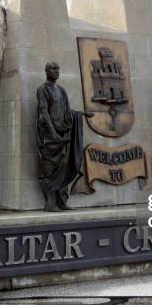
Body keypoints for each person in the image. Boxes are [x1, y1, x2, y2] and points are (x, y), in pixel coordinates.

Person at [36, 62, 93, 211]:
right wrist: (53, 134)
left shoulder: (61, 90)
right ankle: (50, 203)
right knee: (49, 168)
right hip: (50, 137)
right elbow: (44, 112)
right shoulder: (43, 90)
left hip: (63, 134)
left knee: (64, 167)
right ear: (46, 71)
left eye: (58, 69)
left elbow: (67, 112)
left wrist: (82, 114)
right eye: (54, 69)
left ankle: (62, 201)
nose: (57, 71)